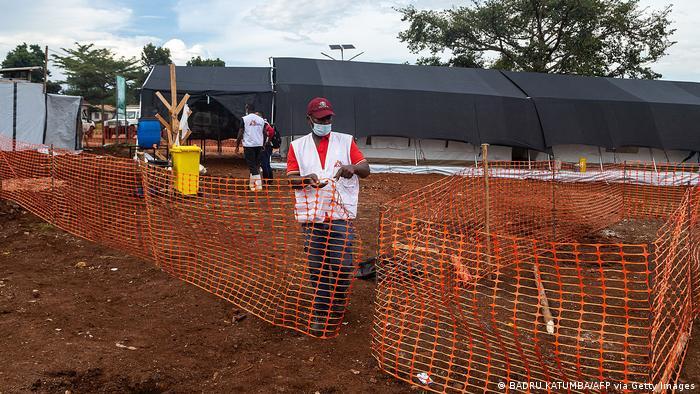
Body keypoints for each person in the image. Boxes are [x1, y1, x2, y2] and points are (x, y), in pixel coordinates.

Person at [286, 97, 370, 336]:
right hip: (312, 216)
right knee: (318, 267)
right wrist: (305, 179)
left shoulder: (345, 141)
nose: (326, 122)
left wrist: (353, 167)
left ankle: (338, 302)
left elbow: (366, 169)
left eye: (329, 118)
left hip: (340, 215)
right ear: (309, 119)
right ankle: (322, 311)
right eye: (321, 119)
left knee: (343, 266)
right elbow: (291, 179)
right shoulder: (297, 146)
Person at [235, 104, 265, 191]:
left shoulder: (244, 119)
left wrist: (237, 145)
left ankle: (258, 185)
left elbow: (240, 132)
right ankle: (252, 185)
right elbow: (264, 133)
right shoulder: (261, 120)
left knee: (252, 165)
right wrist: (263, 144)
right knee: (256, 165)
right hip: (259, 144)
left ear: (247, 109)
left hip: (249, 145)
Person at [255, 111, 276, 183]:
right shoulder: (266, 124)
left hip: (265, 146)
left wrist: (264, 143)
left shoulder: (263, 125)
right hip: (268, 146)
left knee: (264, 164)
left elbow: (268, 134)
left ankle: (267, 180)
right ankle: (269, 180)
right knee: (266, 163)